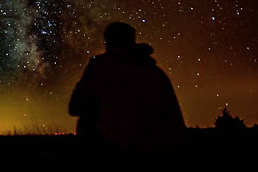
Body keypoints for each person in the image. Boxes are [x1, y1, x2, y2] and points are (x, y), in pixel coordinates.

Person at [69, 22, 186, 151]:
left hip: (110, 145)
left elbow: (75, 106)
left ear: (108, 41)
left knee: (86, 123)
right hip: (152, 148)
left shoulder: (100, 67)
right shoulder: (155, 73)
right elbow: (174, 120)